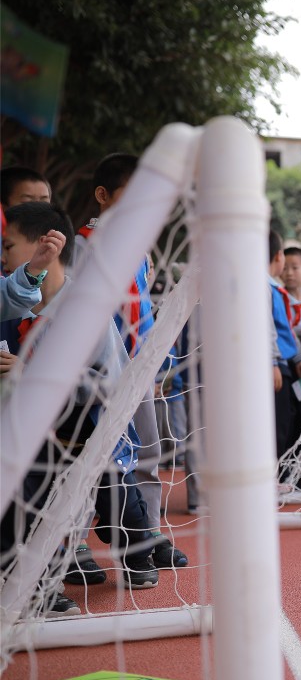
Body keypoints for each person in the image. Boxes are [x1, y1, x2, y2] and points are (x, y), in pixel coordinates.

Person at [1, 202, 160, 604]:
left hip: (88, 428)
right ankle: (32, 585)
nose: (2, 256)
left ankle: (140, 544)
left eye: (8, 245)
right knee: (25, 498)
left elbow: (110, 384)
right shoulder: (10, 307)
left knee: (114, 497)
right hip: (30, 431)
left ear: (45, 247)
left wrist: (31, 372)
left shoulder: (85, 310)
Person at [75, 154, 186, 571]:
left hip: (140, 367)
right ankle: (75, 538)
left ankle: (148, 530)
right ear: (102, 196)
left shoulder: (139, 249)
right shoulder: (84, 244)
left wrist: (158, 363)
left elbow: (144, 311)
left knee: (147, 452)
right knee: (95, 457)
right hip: (100, 373)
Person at [268, 231, 301, 470]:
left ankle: (296, 473)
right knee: (281, 421)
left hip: (298, 365)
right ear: (279, 257)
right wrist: (273, 362)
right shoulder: (266, 288)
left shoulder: (278, 291)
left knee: (300, 414)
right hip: (279, 365)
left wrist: (298, 357)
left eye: (297, 267)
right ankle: (280, 474)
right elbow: (270, 329)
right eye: (288, 264)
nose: (290, 272)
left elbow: (286, 330)